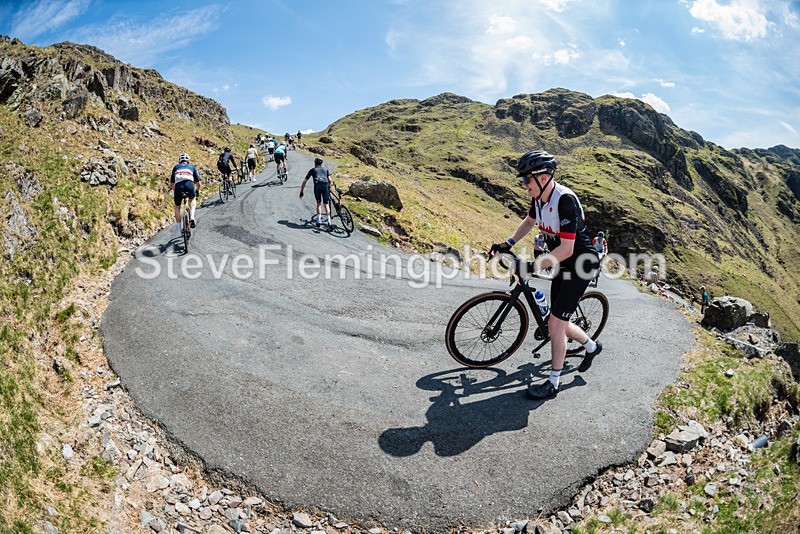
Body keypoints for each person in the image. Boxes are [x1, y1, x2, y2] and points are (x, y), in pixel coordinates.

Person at [489, 150, 602, 400]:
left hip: (581, 264)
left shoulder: (565, 201)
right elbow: (529, 222)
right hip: (563, 263)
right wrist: (508, 243)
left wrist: (532, 267)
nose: (523, 185)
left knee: (554, 325)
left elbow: (567, 248)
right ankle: (592, 346)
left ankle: (553, 383)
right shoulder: (539, 198)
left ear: (543, 177)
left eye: (526, 180)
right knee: (557, 320)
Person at [170, 152, 201, 235]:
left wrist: (175, 191)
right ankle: (192, 217)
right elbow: (198, 183)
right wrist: (197, 191)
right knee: (192, 199)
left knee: (177, 207)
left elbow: (172, 184)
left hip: (178, 186)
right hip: (189, 184)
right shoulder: (192, 167)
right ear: (188, 161)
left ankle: (179, 230)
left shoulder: (176, 167)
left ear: (179, 161)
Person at [299, 157, 332, 227]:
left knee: (319, 203)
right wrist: (328, 186)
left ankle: (319, 220)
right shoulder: (326, 169)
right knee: (326, 204)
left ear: (315, 163)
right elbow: (330, 180)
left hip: (317, 186)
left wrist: (301, 191)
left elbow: (305, 181)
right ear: (321, 163)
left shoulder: (312, 170)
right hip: (325, 186)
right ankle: (329, 221)